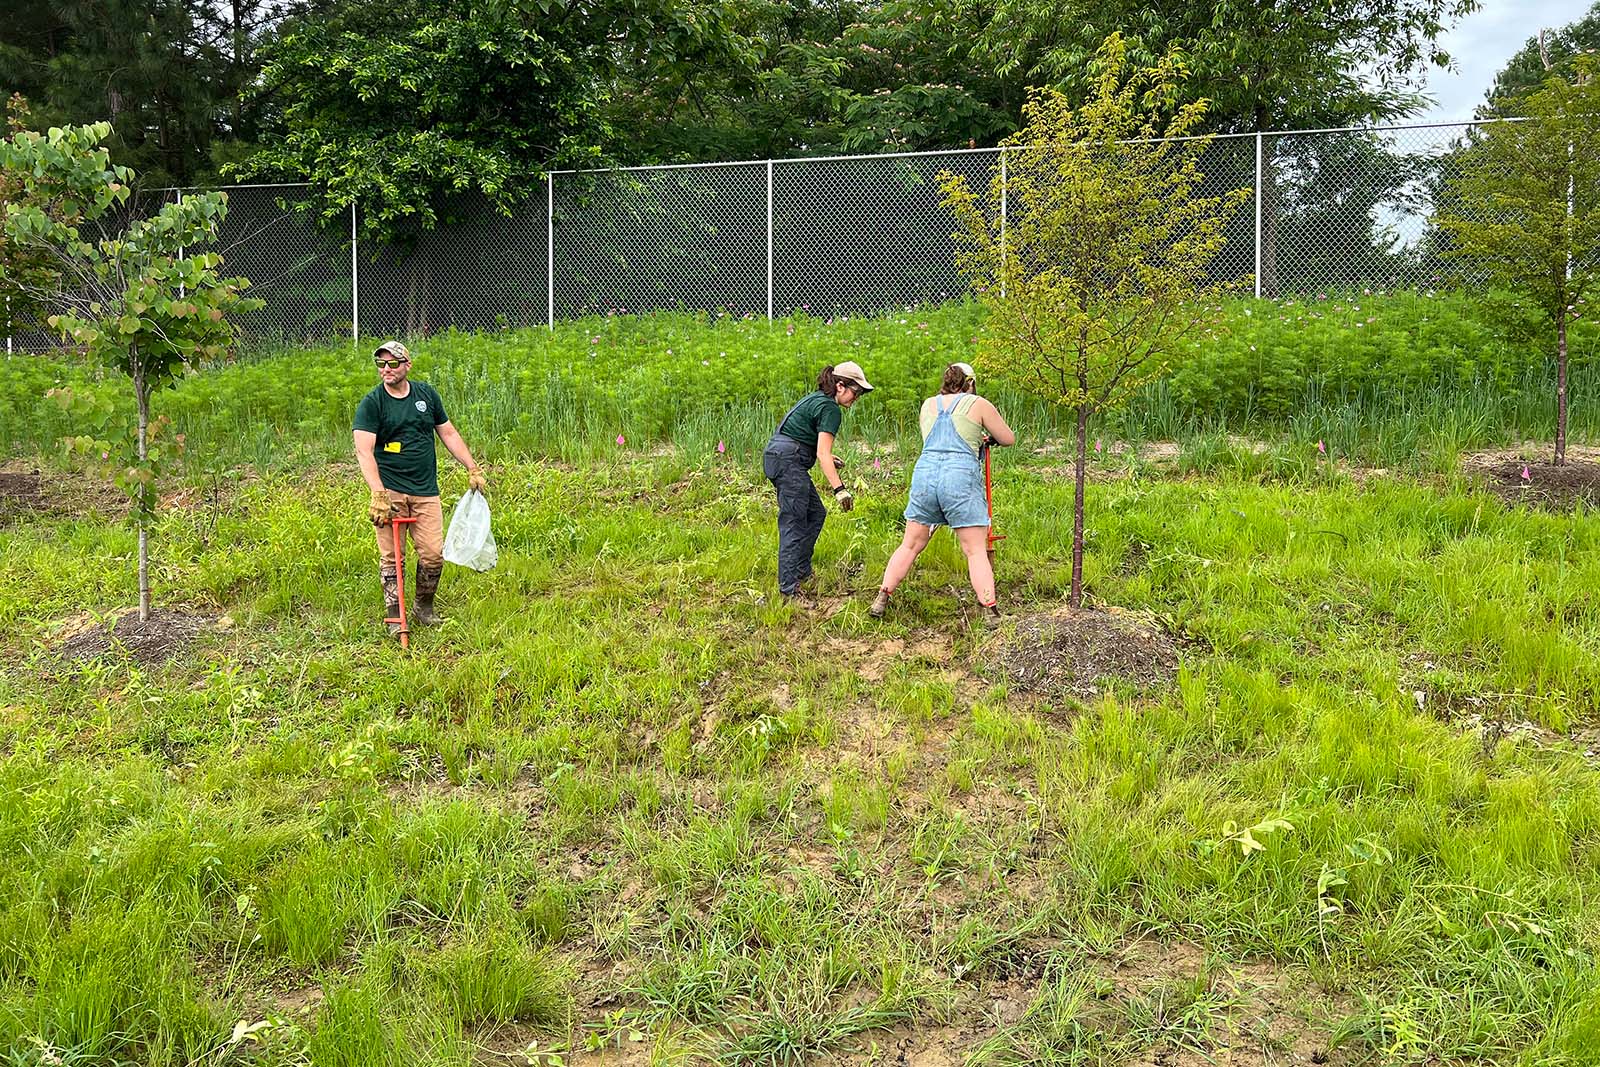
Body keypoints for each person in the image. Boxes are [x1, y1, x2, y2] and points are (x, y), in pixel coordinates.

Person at [353, 340, 487, 632]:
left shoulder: (426, 395)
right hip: (389, 492)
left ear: (407, 365)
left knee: (432, 554)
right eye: (381, 364)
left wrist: (472, 466)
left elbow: (448, 432)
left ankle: (423, 608)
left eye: (392, 364)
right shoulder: (372, 403)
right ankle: (394, 616)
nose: (386, 370)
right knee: (392, 557)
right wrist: (377, 493)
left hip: (425, 490)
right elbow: (364, 450)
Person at [870, 362, 1015, 624]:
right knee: (974, 549)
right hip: (958, 476)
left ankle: (882, 597)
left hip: (925, 475)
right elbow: (1007, 438)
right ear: (970, 382)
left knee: (911, 544)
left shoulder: (928, 405)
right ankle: (990, 610)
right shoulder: (978, 403)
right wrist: (987, 438)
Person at [762, 360, 874, 603]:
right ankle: (789, 590)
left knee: (815, 514)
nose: (857, 398)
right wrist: (840, 490)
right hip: (788, 461)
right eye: (857, 392)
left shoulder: (816, 399)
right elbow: (823, 453)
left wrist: (822, 456)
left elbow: (802, 436)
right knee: (793, 522)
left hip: (780, 454)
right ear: (841, 386)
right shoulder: (830, 409)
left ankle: (802, 572)